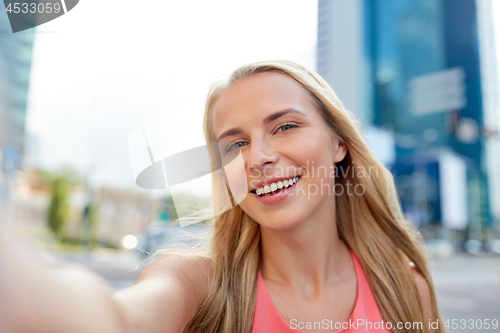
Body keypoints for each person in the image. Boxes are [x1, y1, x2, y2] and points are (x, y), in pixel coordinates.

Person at [0, 60, 445, 333]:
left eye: (285, 126)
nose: (259, 157)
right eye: (234, 144)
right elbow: (121, 322)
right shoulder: (197, 285)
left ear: (338, 143)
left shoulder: (405, 290)